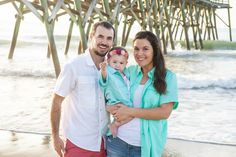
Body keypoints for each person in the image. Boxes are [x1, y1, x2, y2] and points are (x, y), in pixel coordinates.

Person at [106, 31, 179, 157]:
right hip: (117, 142)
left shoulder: (168, 77)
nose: (140, 53)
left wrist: (129, 111)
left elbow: (164, 113)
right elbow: (109, 87)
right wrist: (108, 107)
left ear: (154, 51)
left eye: (145, 49)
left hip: (144, 147)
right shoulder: (129, 72)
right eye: (136, 49)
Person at [50, 21, 115, 157]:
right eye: (100, 36)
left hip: (104, 143)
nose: (104, 42)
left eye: (109, 38)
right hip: (78, 143)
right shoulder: (74, 66)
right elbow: (56, 102)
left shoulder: (113, 69)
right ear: (91, 36)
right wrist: (55, 136)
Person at [99, 46, 132, 137]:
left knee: (131, 115)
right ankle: (114, 125)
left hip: (125, 102)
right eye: (114, 62)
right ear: (108, 61)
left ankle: (114, 126)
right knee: (130, 115)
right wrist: (103, 70)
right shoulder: (109, 72)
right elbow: (104, 80)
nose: (117, 65)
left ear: (126, 63)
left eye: (121, 63)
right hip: (115, 102)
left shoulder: (126, 73)